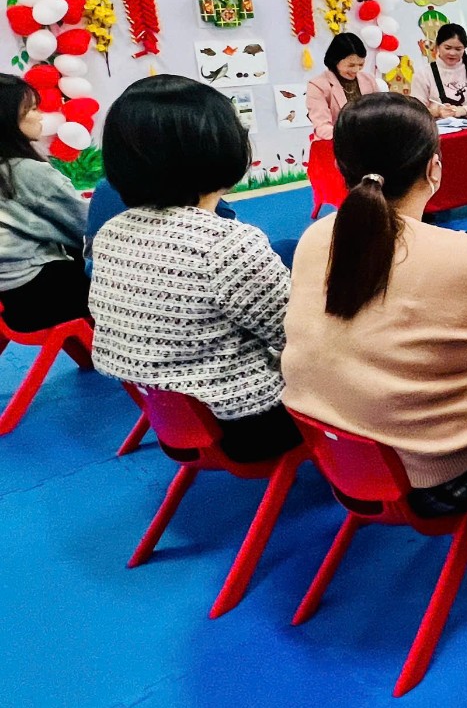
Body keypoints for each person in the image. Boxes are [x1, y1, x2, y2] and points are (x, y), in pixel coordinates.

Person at [282, 93, 467, 516]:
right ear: (434, 168)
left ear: (340, 169)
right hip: (441, 476)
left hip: (337, 458)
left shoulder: (315, 237)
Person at [89, 77, 300, 463]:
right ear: (222, 149)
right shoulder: (225, 243)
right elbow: (299, 338)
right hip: (251, 424)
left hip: (170, 419)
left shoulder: (112, 231)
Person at [0, 75, 90, 333]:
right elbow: (87, 228)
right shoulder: (26, 172)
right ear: (7, 120)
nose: (41, 116)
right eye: (31, 109)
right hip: (35, 297)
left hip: (10, 298)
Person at [410, 23, 467, 121]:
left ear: (464, 49)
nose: (452, 53)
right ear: (437, 46)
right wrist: (437, 112)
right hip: (437, 126)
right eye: (447, 48)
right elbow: (416, 109)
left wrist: (462, 110)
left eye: (458, 49)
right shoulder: (423, 74)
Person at [307, 32, 378, 140]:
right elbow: (322, 127)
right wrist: (354, 138)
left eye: (361, 64)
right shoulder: (318, 85)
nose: (356, 70)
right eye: (351, 65)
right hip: (335, 143)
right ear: (335, 61)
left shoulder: (368, 80)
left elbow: (378, 114)